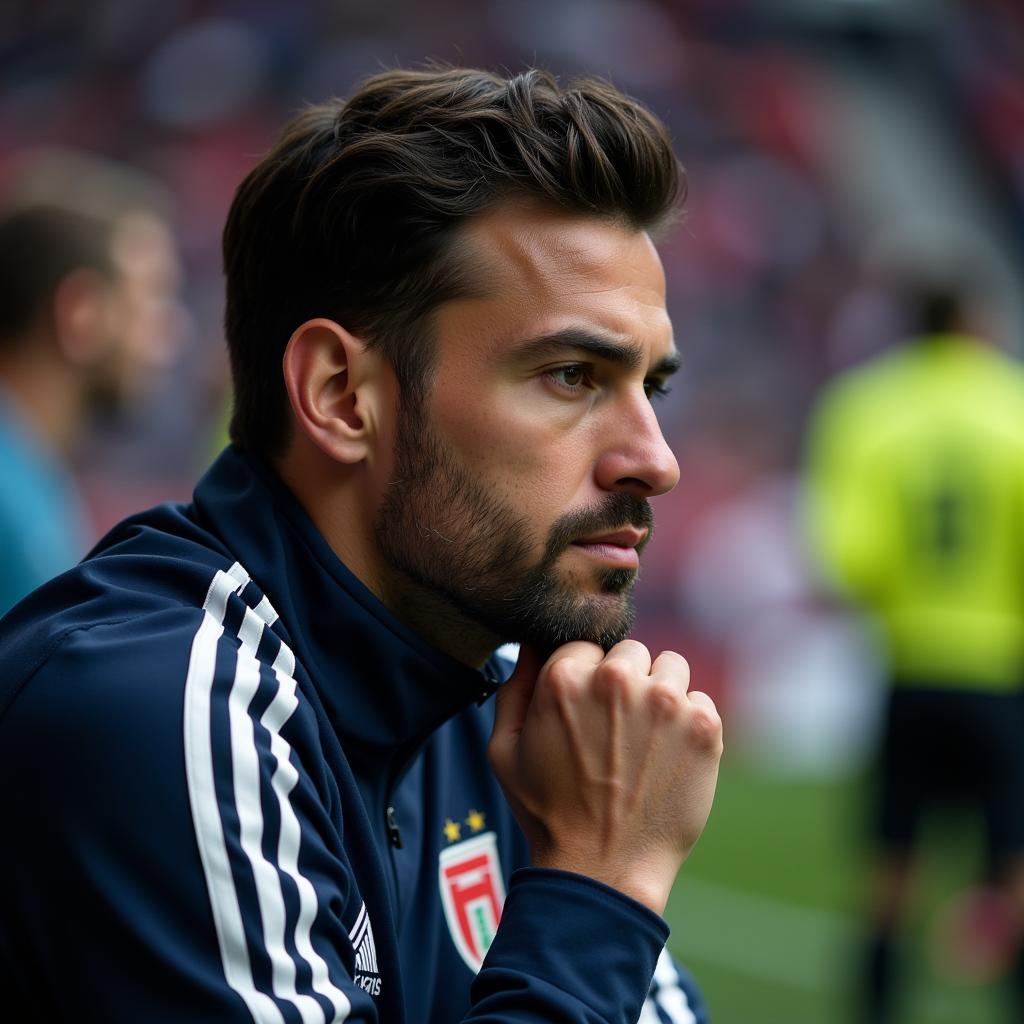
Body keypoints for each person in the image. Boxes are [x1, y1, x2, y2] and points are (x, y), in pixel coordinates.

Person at [0, 67, 722, 1023]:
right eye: (570, 375)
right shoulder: (164, 710)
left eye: (651, 387)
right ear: (343, 396)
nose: (655, 460)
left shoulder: (508, 712)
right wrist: (601, 887)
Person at [803, 280, 1024, 1022]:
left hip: (909, 667)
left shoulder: (867, 408)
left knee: (892, 870)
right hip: (1003, 670)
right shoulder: (1012, 402)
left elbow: (848, 555)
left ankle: (877, 1010)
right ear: (975, 324)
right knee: (1013, 866)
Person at [0, 155, 181, 614]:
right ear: (80, 315)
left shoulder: (30, 473)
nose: (172, 335)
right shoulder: (12, 506)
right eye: (153, 299)